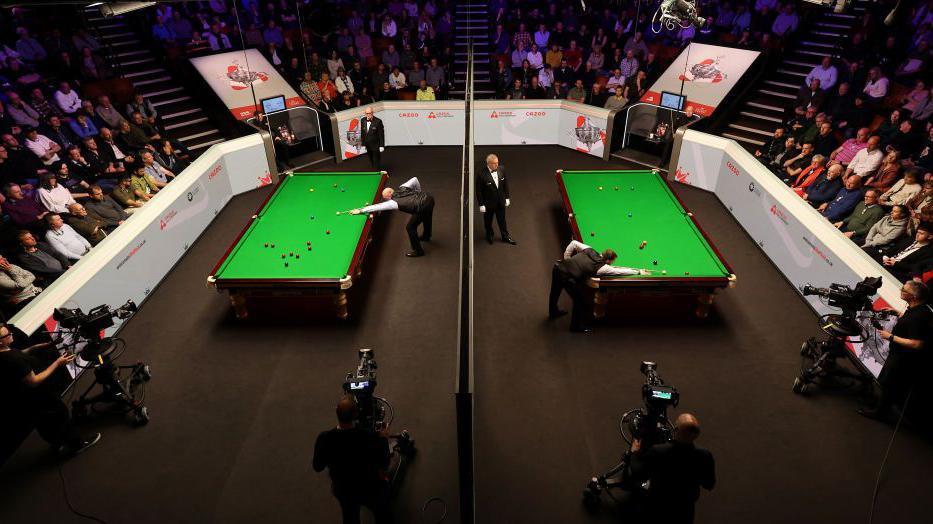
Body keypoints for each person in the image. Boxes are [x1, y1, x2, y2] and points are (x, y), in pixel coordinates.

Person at [0, 324, 101, 457]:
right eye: (8, 335)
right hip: (39, 395)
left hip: (27, 398)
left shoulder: (5, 352)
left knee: (44, 422)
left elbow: (20, 352)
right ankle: (76, 445)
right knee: (60, 415)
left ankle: (58, 444)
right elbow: (33, 381)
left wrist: (42, 346)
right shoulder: (13, 360)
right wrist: (58, 363)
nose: (12, 335)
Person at [858, 281, 932, 422]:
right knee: (886, 383)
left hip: (903, 359)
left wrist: (891, 337)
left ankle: (880, 413)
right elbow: (910, 320)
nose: (901, 290)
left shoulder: (919, 317)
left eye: (904, 289)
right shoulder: (918, 308)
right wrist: (897, 313)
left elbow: (917, 343)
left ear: (913, 296)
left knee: (891, 386)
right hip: (897, 355)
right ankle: (880, 405)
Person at [313, 396, 391, 524]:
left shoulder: (324, 438)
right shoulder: (369, 437)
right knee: (382, 512)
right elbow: (384, 463)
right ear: (356, 414)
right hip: (369, 488)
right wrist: (383, 439)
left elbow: (317, 467)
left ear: (336, 412)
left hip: (343, 490)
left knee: (350, 517)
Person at [627, 413, 716, 523]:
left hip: (657, 508)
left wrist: (634, 453)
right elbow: (709, 484)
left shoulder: (658, 451)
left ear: (676, 430)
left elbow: (638, 472)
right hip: (685, 510)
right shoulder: (705, 455)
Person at [549, 240, 648, 333]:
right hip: (567, 278)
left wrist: (567, 259)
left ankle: (553, 312)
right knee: (579, 301)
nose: (612, 264)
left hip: (558, 267)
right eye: (613, 261)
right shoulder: (602, 268)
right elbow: (619, 271)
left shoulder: (589, 249)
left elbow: (573, 243)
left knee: (555, 290)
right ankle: (575, 327)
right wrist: (638, 271)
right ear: (608, 260)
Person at [350, 177, 434, 257]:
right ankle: (426, 236)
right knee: (427, 216)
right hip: (429, 198)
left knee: (410, 227)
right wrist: (418, 193)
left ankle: (418, 251)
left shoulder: (393, 202)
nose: (387, 201)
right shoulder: (402, 187)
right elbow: (415, 179)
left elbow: (377, 207)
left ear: (388, 196)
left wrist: (360, 210)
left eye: (386, 199)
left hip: (422, 207)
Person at [477, 154, 515, 245]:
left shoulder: (502, 169)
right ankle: (489, 235)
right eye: (494, 163)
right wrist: (481, 204)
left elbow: (505, 184)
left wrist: (507, 197)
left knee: (502, 220)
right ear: (488, 164)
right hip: (488, 203)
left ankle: (505, 236)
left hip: (500, 202)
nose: (496, 165)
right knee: (488, 221)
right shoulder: (481, 174)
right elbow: (478, 191)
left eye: (497, 163)